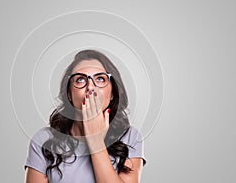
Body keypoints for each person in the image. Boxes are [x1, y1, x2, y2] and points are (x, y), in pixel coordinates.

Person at [25, 49, 146, 183]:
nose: (90, 87)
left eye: (100, 79)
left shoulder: (130, 137)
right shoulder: (43, 140)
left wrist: (96, 141)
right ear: (69, 94)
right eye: (80, 80)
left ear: (112, 93)